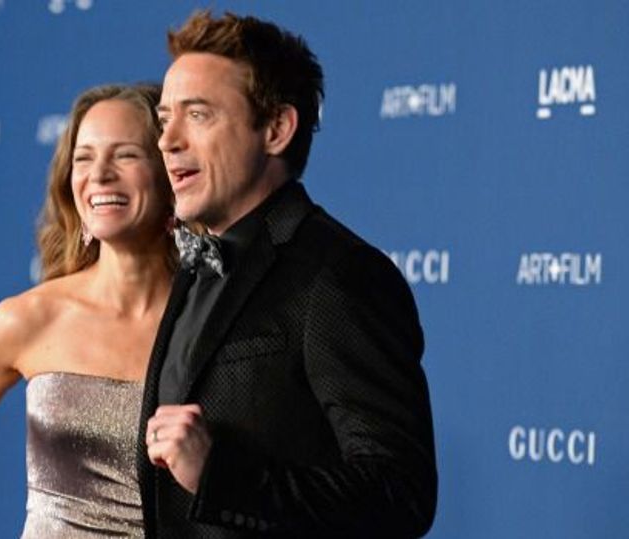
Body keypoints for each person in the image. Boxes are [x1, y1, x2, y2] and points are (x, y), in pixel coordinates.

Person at [138, 11, 438, 538]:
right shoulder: (190, 266)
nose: (167, 141)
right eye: (165, 119)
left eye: (199, 114)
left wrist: (220, 478)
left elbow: (400, 493)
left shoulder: (339, 275)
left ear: (276, 129)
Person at [0, 83, 175, 538]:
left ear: (169, 172)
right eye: (84, 158)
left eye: (125, 155)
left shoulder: (212, 320)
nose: (99, 175)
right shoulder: (31, 318)